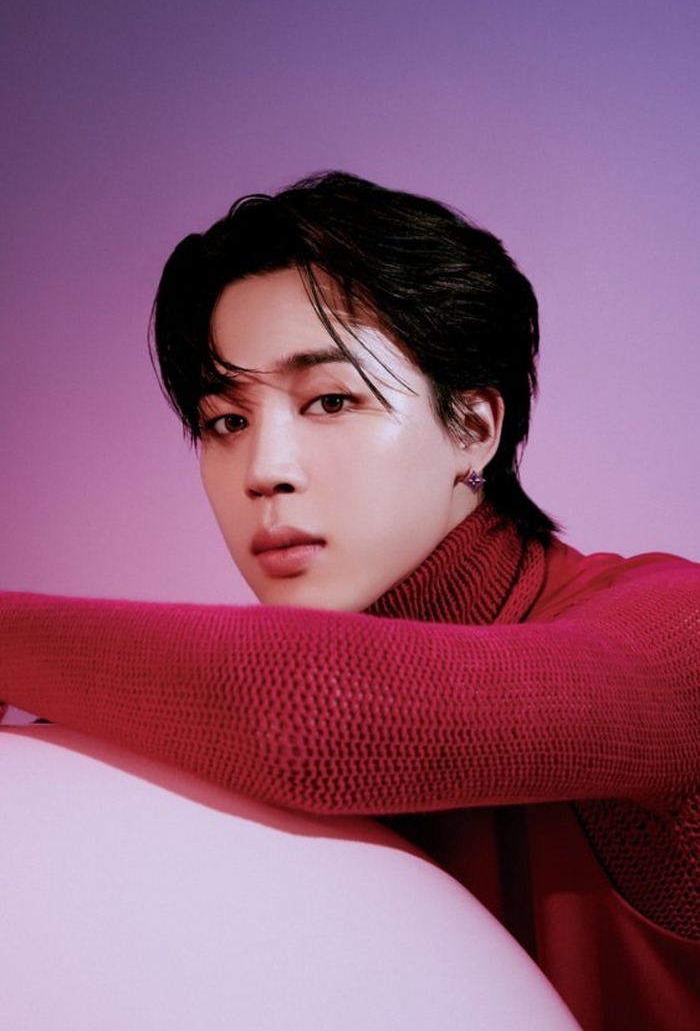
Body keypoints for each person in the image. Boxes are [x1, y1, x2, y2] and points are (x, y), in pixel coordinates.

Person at [2, 171, 699, 1030]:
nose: (266, 470)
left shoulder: (673, 635)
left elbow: (311, 712)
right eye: (226, 422)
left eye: (331, 401)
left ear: (475, 426)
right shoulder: (192, 715)